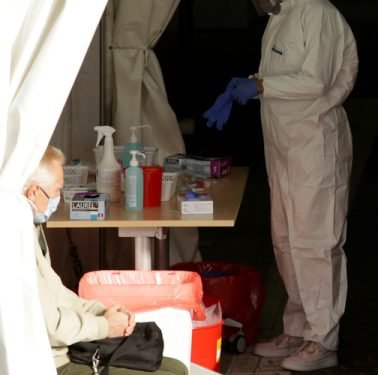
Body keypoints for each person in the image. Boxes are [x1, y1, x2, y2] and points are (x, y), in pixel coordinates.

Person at [202, 0, 358, 371]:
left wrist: (259, 85)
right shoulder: (280, 13)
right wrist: (257, 85)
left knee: (317, 244)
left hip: (315, 142)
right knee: (286, 241)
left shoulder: (317, 13)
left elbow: (315, 80)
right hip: (284, 144)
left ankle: (322, 339)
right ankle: (298, 328)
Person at [25, 146, 188, 375]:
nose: (58, 199)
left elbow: (58, 294)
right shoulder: (14, 245)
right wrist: (105, 326)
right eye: (56, 191)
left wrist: (103, 311)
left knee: (176, 367)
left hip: (68, 348)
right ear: (33, 192)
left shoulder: (32, 230)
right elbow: (54, 326)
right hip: (53, 362)